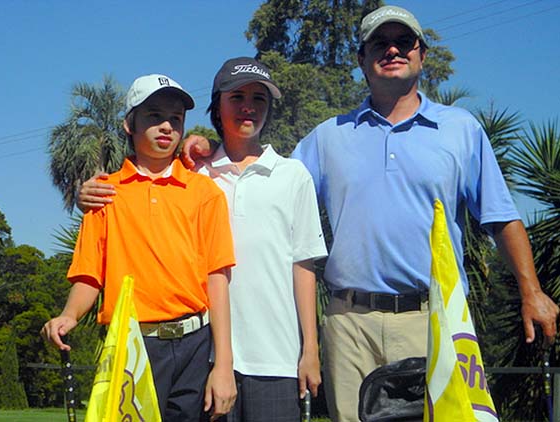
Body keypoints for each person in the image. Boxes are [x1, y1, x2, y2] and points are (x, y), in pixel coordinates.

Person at [180, 5, 559, 421]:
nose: (392, 49)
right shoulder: (328, 137)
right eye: (380, 43)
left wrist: (532, 290)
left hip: (431, 321)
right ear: (361, 59)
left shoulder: (461, 129)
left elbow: (501, 216)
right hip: (348, 326)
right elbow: (263, 179)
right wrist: (206, 150)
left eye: (404, 42)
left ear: (422, 54)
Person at [77, 57, 328, 422]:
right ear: (216, 105)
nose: (248, 107)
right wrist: (91, 192)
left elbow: (303, 267)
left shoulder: (293, 175)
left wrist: (311, 350)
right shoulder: (196, 171)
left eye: (260, 99)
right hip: (206, 358)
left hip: (277, 356)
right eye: (237, 96)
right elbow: (146, 178)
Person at [41, 74, 237, 421]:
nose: (166, 127)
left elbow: (217, 279)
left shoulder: (205, 193)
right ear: (128, 124)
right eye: (153, 116)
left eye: (175, 119)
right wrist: (69, 315)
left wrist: (223, 365)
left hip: (196, 343)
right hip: (134, 345)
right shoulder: (105, 194)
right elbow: (89, 274)